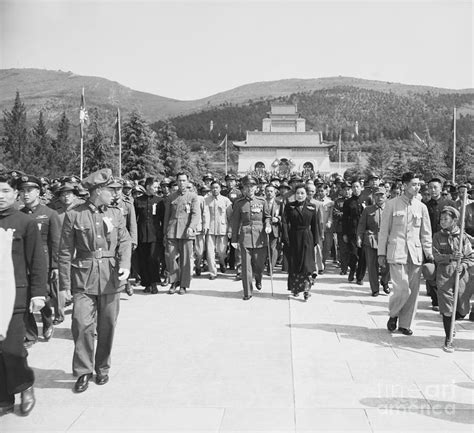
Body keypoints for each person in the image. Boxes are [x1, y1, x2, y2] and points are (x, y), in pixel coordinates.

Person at [58, 169, 131, 393]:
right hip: (83, 277)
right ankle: (82, 371)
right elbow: (64, 252)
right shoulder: (75, 214)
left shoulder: (116, 213)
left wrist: (126, 264)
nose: (115, 194)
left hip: (110, 277)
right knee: (81, 325)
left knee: (107, 325)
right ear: (98, 191)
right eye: (111, 190)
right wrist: (64, 286)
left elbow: (125, 240)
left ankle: (102, 368)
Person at [0, 171, 47, 416]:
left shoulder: (25, 223)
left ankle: (25, 385)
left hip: (15, 297)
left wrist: (39, 293)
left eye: (5, 191)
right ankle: (4, 397)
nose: (0, 196)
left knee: (12, 349)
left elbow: (37, 261)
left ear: (16, 194)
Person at [378, 172, 433, 335]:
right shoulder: (392, 204)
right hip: (397, 252)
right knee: (402, 288)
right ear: (404, 186)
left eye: (418, 185)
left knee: (413, 291)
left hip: (415, 254)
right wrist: (381, 253)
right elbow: (383, 231)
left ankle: (405, 324)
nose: (417, 188)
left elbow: (426, 233)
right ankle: (394, 313)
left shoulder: (421, 207)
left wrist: (428, 253)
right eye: (414, 184)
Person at [18, 175, 61, 347]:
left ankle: (48, 320)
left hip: (43, 261)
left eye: (29, 190)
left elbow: (56, 241)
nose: (25, 195)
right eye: (22, 191)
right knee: (24, 297)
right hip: (22, 262)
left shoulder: (49, 214)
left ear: (38, 192)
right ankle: (30, 334)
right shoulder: (19, 215)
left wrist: (55, 265)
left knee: (43, 294)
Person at [432, 206, 474, 352]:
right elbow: (435, 256)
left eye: (446, 219)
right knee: (447, 308)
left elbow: (471, 257)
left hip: (461, 277)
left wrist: (462, 264)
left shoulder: (463, 237)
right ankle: (448, 339)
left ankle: (452, 324)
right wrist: (449, 257)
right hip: (444, 276)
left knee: (462, 310)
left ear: (454, 220)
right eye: (441, 219)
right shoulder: (437, 236)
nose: (442, 222)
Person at [231, 175, 271, 300]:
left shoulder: (262, 201)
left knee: (259, 265)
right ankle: (247, 292)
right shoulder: (238, 203)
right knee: (246, 266)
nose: (250, 188)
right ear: (243, 188)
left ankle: (258, 277)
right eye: (247, 186)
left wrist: (268, 224)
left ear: (256, 187)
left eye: (252, 186)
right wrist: (234, 239)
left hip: (260, 236)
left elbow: (267, 217)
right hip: (245, 235)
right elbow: (235, 222)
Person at [163, 172, 199, 295]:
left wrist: (191, 227)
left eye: (184, 180)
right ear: (176, 182)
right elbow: (167, 216)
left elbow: (195, 214)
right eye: (179, 180)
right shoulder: (171, 197)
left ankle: (183, 284)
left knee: (185, 260)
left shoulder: (193, 197)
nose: (181, 183)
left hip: (186, 232)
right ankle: (174, 281)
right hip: (172, 231)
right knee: (170, 257)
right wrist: (165, 233)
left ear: (188, 182)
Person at [281, 184, 319, 301]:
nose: (300, 195)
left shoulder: (312, 207)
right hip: (293, 237)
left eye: (302, 193)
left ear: (306, 194)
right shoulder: (289, 206)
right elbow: (285, 222)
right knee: (295, 263)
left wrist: (316, 240)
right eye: (298, 193)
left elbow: (315, 225)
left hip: (307, 237)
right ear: (294, 194)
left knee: (307, 264)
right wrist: (285, 237)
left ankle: (307, 289)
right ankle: (295, 288)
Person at [425, 178, 457, 311]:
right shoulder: (425, 205)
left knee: (446, 271)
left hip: (447, 241)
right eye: (430, 187)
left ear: (441, 188)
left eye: (435, 187)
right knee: (432, 271)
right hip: (431, 241)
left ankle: (447, 298)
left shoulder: (449, 204)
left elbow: (456, 223)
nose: (433, 190)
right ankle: (435, 300)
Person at [357, 186, 390, 296]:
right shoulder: (368, 210)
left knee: (387, 265)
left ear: (386, 196)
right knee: (372, 266)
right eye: (377, 195)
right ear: (374, 197)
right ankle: (375, 288)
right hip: (372, 240)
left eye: (382, 195)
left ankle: (385, 282)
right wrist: (359, 238)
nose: (380, 197)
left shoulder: (390, 209)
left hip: (387, 241)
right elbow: (361, 225)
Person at [134, 177, 161, 294]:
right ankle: (147, 283)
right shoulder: (138, 200)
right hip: (142, 234)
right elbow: (134, 219)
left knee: (153, 259)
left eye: (157, 187)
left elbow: (162, 218)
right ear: (148, 187)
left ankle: (154, 282)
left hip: (155, 234)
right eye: (154, 187)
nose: (156, 189)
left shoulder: (159, 201)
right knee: (143, 259)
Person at [203, 181, 232, 280]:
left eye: (217, 187)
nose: (215, 189)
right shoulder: (206, 200)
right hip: (210, 229)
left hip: (222, 229)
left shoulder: (226, 200)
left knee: (221, 251)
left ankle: (222, 262)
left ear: (220, 189)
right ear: (211, 189)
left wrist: (230, 229)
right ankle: (213, 272)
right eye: (213, 188)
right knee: (210, 253)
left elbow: (230, 216)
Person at [342, 180, 366, 285]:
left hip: (364, 232)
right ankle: (352, 270)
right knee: (354, 254)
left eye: (357, 186)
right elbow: (345, 218)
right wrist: (344, 233)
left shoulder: (367, 199)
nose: (355, 189)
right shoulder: (348, 202)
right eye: (353, 187)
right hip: (352, 231)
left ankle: (360, 277)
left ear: (361, 187)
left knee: (363, 255)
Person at [263, 183, 282, 274]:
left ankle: (270, 268)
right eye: (267, 191)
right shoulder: (261, 202)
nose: (269, 193)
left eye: (271, 191)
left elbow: (283, 215)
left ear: (275, 192)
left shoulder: (279, 203)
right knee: (263, 248)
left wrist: (278, 219)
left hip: (274, 229)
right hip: (262, 229)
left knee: (272, 248)